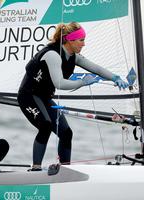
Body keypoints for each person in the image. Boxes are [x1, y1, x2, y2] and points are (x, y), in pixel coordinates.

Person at [17, 22, 128, 171]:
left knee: (66, 132)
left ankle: (64, 169)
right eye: (81, 40)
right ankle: (36, 168)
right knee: (45, 125)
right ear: (70, 40)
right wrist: (82, 82)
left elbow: (96, 68)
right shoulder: (52, 55)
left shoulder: (73, 56)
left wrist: (115, 78)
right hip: (28, 96)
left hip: (43, 97)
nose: (84, 44)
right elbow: (59, 83)